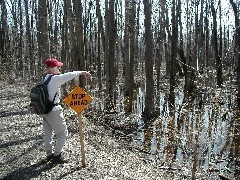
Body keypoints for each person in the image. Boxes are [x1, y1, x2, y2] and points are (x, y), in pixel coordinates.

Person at [41, 58, 92, 164]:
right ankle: (57, 156)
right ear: (52, 69)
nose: (59, 68)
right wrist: (82, 72)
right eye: (57, 67)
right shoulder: (54, 79)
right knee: (63, 134)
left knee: (48, 133)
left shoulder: (45, 79)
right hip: (54, 111)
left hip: (44, 110)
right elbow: (69, 75)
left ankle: (49, 154)